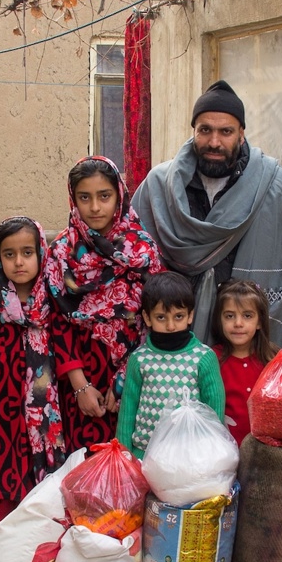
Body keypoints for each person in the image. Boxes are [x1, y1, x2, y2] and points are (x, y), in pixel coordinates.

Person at [131, 79, 282, 363]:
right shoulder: (158, 187)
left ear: (242, 134)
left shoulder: (274, 187)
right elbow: (129, 264)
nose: (215, 142)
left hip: (245, 346)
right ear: (193, 131)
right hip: (171, 348)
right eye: (205, 130)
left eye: (226, 132)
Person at [46, 155, 164, 452]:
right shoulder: (61, 252)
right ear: (73, 199)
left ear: (120, 196)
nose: (95, 207)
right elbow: (56, 323)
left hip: (137, 375)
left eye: (104, 196)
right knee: (83, 474)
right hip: (82, 382)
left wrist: (127, 378)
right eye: (85, 197)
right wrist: (80, 385)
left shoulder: (141, 249)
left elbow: (156, 317)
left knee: (132, 469)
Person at [0, 216, 66, 531]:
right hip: (0, 419)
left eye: (27, 252)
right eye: (9, 254)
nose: (19, 262)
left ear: (40, 253)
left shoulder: (54, 302)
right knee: (3, 495)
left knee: (47, 496)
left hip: (47, 419)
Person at [116, 271, 225, 460]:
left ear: (190, 316)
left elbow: (214, 414)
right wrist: (124, 458)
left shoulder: (204, 358)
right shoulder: (139, 359)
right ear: (147, 318)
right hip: (144, 456)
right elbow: (127, 413)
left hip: (189, 458)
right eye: (161, 318)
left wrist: (210, 456)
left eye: (179, 316)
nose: (171, 326)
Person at [210, 278, 277, 446]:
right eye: (230, 316)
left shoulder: (273, 359)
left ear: (259, 321)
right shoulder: (211, 359)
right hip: (224, 452)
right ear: (220, 320)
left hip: (265, 453)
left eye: (247, 316)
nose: (238, 323)